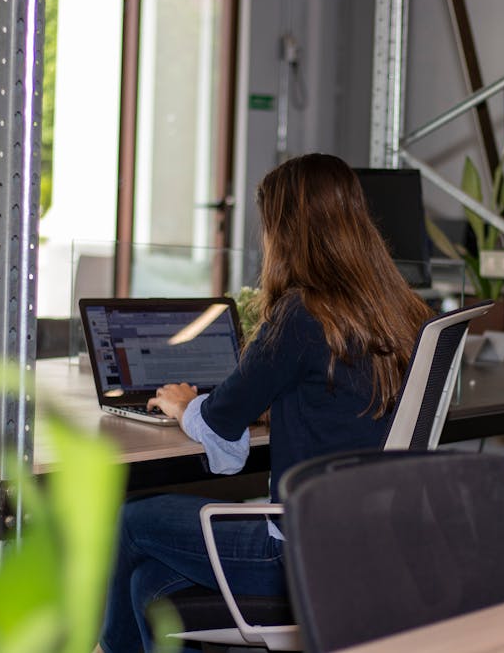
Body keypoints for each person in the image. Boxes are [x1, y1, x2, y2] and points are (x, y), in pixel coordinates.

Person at [96, 153, 434, 653]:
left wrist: (184, 403)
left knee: (130, 520)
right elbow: (343, 400)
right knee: (149, 584)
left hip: (299, 554)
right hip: (367, 544)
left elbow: (220, 417)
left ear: (286, 231)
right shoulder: (399, 309)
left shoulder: (302, 312)